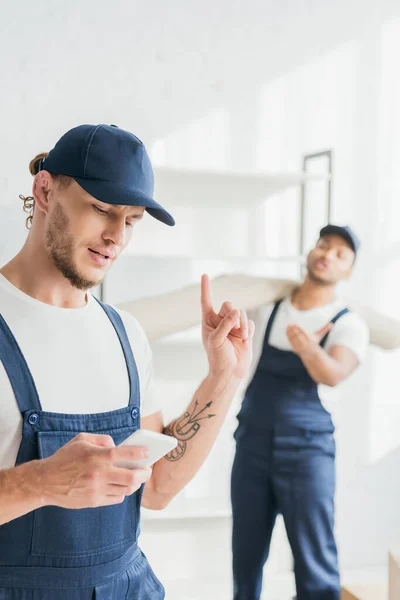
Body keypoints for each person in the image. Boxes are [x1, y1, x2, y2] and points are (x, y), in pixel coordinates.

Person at [0, 123, 254, 599]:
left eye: (132, 220)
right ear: (45, 190)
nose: (116, 236)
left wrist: (223, 378)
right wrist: (40, 482)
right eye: (101, 209)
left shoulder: (126, 335)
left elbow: (156, 488)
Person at [231, 225, 369, 600]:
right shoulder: (268, 307)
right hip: (252, 446)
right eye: (324, 245)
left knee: (314, 556)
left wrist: (309, 349)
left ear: (349, 271)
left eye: (341, 254)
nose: (328, 254)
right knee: (245, 555)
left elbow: (334, 374)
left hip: (307, 453)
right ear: (311, 251)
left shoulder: (349, 323)